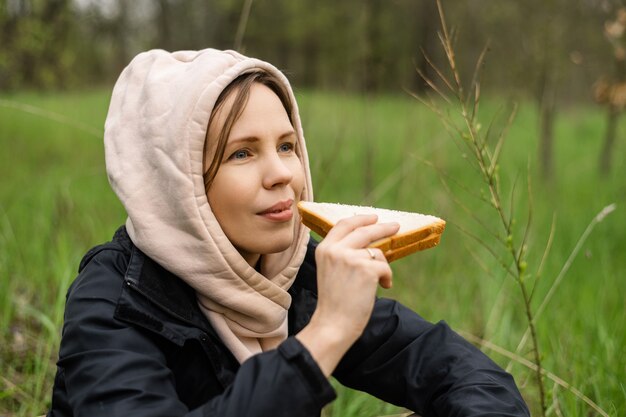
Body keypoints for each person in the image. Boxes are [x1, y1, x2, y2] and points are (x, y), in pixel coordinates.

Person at [47, 48, 529, 417]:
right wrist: (325, 335)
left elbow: (463, 373)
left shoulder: (292, 272)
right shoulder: (115, 298)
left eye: (287, 145)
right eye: (242, 153)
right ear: (176, 182)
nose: (282, 174)